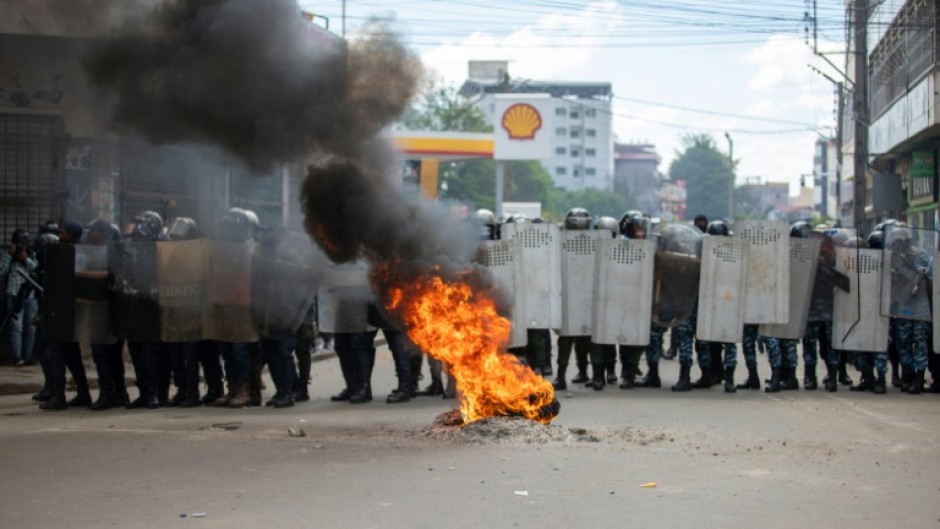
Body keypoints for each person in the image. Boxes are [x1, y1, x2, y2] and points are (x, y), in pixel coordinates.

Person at [40, 221, 93, 410]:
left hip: (66, 311)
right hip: (64, 310)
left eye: (63, 232)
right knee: (71, 355)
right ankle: (83, 393)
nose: (60, 234)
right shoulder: (66, 252)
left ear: (71, 235)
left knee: (58, 354)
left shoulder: (75, 254)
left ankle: (59, 396)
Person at [84, 219, 130, 410]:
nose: (90, 235)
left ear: (103, 234)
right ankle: (117, 394)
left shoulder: (113, 256)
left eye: (93, 231)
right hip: (100, 311)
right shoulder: (94, 253)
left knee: (105, 355)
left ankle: (110, 394)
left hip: (111, 313)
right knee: (106, 355)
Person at [553, 207, 593, 390]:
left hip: (586, 295)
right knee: (566, 340)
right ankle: (561, 376)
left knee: (584, 339)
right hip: (567, 295)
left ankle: (584, 372)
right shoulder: (559, 240)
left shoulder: (595, 241)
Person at [0, 228, 38, 367]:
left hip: (31, 296)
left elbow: (36, 269)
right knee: (17, 328)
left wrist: (25, 258)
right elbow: (1, 271)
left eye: (25, 242)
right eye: (20, 242)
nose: (23, 245)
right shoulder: (8, 254)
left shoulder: (30, 254)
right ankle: (17, 357)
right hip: (14, 294)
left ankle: (27, 357)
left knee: (31, 328)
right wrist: (10, 255)